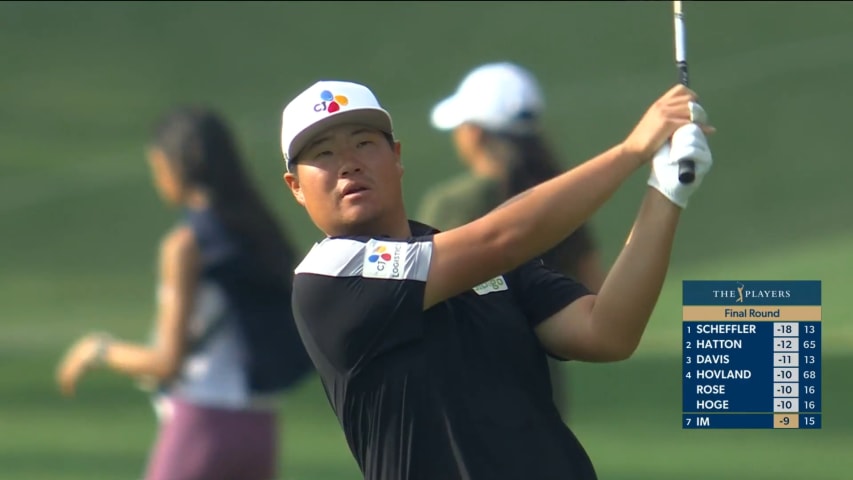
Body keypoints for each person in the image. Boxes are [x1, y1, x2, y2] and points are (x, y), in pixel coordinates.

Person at [280, 78, 713, 480]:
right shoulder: (328, 277)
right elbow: (502, 238)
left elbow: (606, 331)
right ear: (295, 186)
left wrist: (666, 191)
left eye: (363, 143)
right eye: (323, 154)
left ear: (396, 158)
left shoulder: (474, 261)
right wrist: (631, 151)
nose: (349, 164)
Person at [56, 107, 313, 480]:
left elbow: (167, 362)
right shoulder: (258, 232)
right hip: (260, 427)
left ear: (171, 166)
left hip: (202, 425)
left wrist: (97, 350)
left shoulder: (185, 246)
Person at [417, 62, 607, 420]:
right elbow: (596, 290)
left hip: (463, 383)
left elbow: (419, 292)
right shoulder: (560, 198)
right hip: (542, 386)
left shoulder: (452, 203)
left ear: (474, 133)